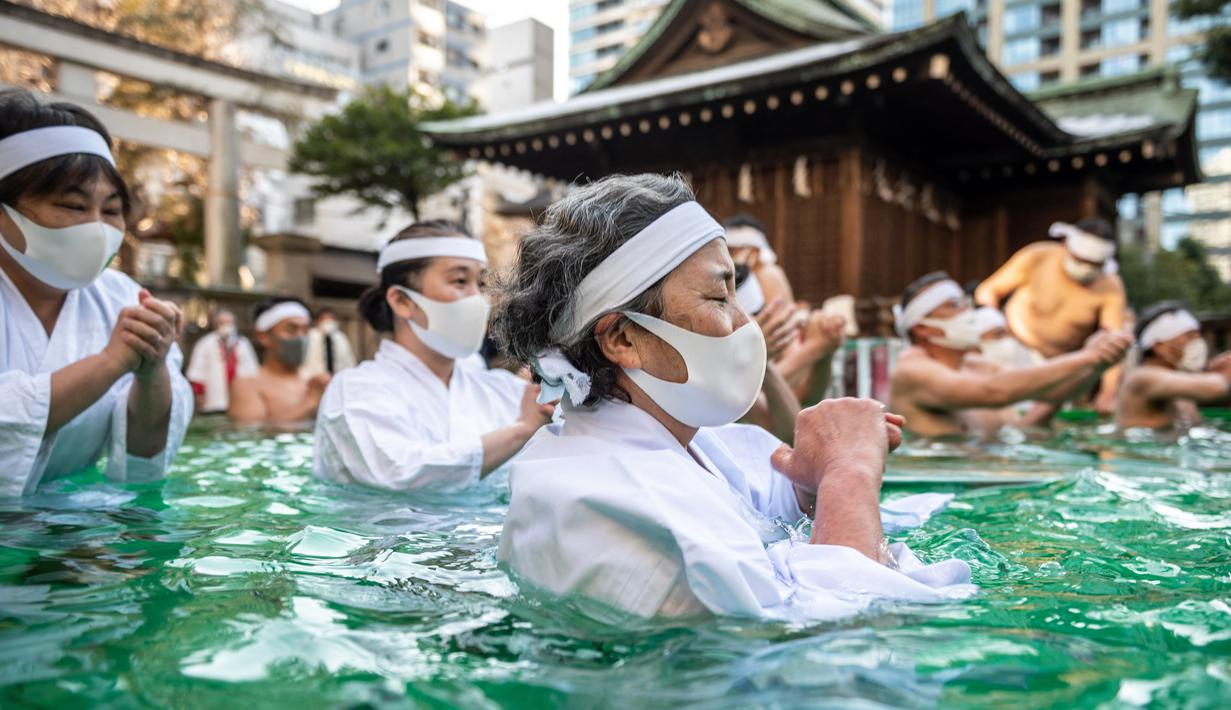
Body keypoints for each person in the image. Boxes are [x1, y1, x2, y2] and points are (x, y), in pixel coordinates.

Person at [492, 174, 974, 622]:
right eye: (719, 299)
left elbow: (760, 503)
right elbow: (837, 645)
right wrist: (849, 473)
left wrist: (811, 481)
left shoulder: (690, 444)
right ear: (623, 339)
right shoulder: (613, 497)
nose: (747, 324)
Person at [0, 88, 192, 497]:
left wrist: (150, 368)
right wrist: (110, 362)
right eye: (72, 206)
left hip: (64, 528)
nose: (96, 227)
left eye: (110, 211)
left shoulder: (120, 297)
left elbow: (142, 460)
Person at [313, 221, 554, 491]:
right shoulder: (353, 392)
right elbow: (397, 472)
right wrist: (520, 431)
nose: (478, 299)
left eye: (481, 283)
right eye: (460, 281)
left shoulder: (503, 392)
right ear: (402, 301)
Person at [889, 272, 1132, 438]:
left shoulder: (977, 366)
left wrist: (1099, 364)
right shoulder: (911, 370)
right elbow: (994, 392)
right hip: (940, 494)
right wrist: (1085, 357)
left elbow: (1057, 392)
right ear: (922, 327)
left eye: (966, 303)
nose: (969, 312)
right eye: (955, 305)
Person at [974, 218, 1128, 413]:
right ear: (1066, 245)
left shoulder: (1110, 287)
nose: (1085, 268)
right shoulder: (1038, 256)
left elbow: (1113, 342)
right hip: (1014, 349)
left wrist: (1108, 394)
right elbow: (988, 291)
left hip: (1062, 366)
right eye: (1080, 260)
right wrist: (993, 326)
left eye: (1093, 264)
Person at [1116, 303, 1231, 429]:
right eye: (1190, 336)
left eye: (1198, 335)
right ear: (1160, 347)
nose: (1198, 342)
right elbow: (1214, 388)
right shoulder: (1141, 378)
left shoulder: (1180, 389)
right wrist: (1223, 374)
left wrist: (1211, 372)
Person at [227, 297, 328, 426]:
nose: (301, 337)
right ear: (263, 336)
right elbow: (252, 436)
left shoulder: (314, 381)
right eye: (291, 329)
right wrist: (310, 403)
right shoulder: (247, 385)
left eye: (305, 330)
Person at [185, 309, 258, 414]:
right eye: (222, 322)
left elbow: (252, 371)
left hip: (240, 399)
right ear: (216, 324)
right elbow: (197, 371)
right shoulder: (205, 343)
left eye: (229, 322)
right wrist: (200, 394)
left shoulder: (243, 344)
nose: (226, 326)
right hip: (214, 399)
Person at [304, 306, 356, 378]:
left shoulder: (340, 337)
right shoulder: (310, 336)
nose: (328, 322)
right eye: (324, 319)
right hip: (315, 378)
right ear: (318, 321)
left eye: (331, 318)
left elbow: (348, 359)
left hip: (337, 379)